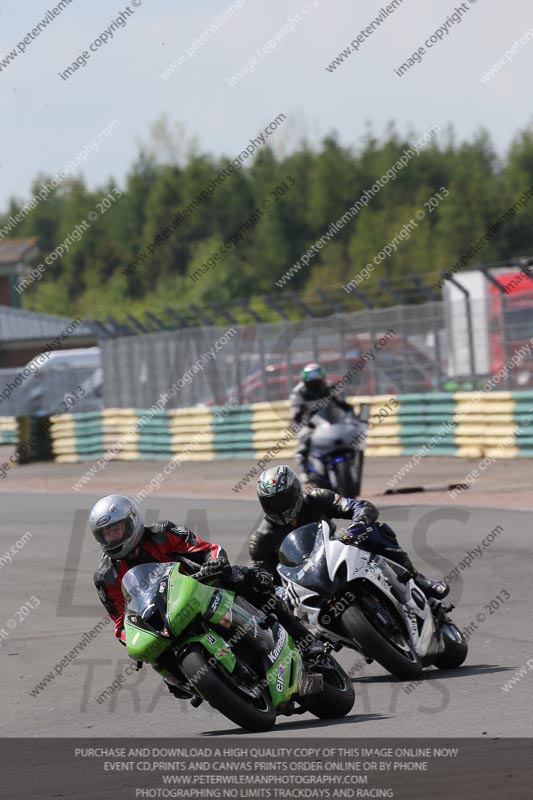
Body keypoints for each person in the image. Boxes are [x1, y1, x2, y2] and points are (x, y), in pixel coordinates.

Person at [91, 495, 324, 698]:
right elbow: (121, 622)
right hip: (160, 619)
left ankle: (305, 639)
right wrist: (132, 639)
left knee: (250, 580)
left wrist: (216, 562)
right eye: (106, 534)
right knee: (160, 665)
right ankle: (200, 684)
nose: (112, 538)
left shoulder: (162, 533)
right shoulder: (106, 577)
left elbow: (205, 548)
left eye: (116, 530)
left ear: (131, 522)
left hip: (199, 586)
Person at [249, 465, 449, 600]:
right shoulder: (261, 539)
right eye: (271, 502)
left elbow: (360, 506)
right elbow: (265, 581)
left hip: (335, 553)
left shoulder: (317, 498)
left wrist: (359, 524)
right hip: (305, 585)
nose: (277, 506)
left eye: (281, 499)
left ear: (295, 492)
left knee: (374, 531)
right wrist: (279, 592)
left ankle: (417, 579)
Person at [290, 362, 356, 483]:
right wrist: (303, 419)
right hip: (308, 422)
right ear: (304, 379)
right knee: (304, 441)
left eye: (316, 378)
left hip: (330, 420)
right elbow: (296, 413)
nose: (314, 381)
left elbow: (342, 403)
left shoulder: (331, 387)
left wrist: (348, 412)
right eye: (310, 378)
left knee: (349, 435)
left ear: (323, 377)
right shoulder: (298, 392)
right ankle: (305, 470)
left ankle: (350, 463)